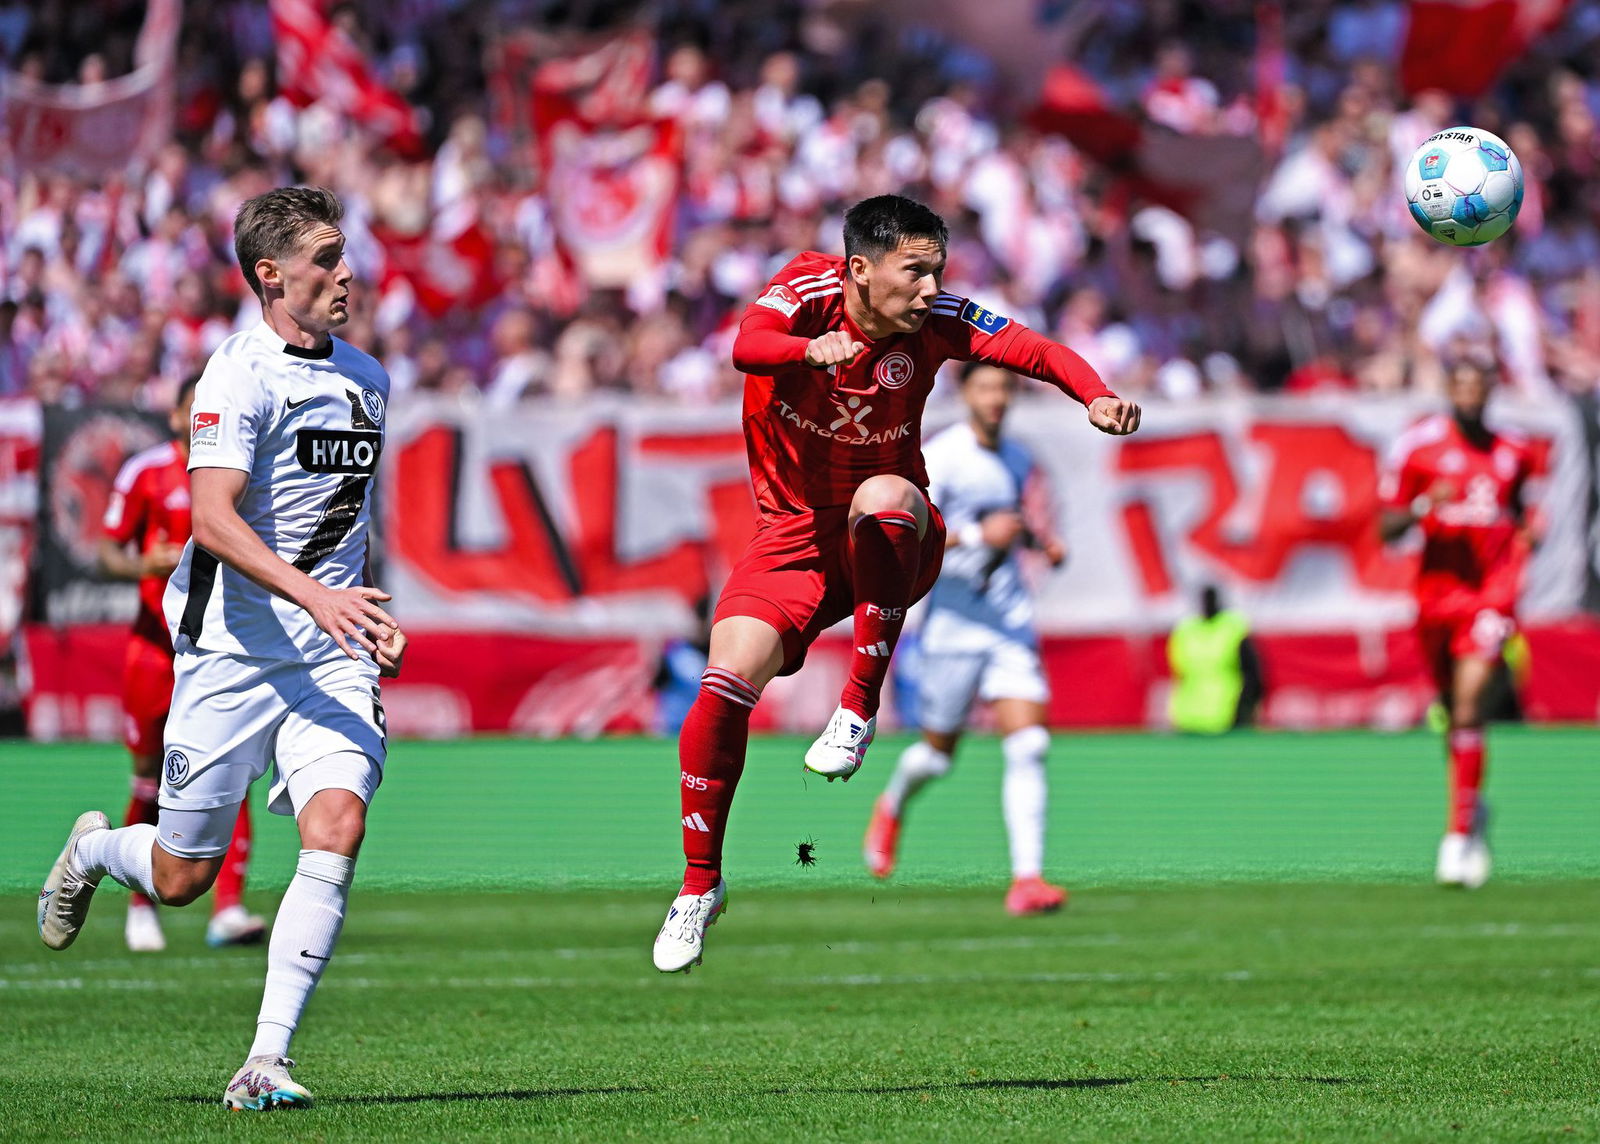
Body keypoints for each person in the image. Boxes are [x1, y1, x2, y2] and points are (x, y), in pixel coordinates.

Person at [653, 194, 1141, 972]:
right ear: (858, 270)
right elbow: (749, 344)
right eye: (914, 272)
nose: (929, 288)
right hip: (792, 538)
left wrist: (1097, 396)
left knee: (881, 495)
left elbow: (1036, 350)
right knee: (721, 686)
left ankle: (859, 706)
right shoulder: (807, 295)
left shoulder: (937, 318)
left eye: (936, 272)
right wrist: (804, 355)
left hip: (896, 533)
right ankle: (700, 887)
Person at [38, 187, 407, 1110]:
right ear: (270, 275)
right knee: (181, 878)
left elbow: (346, 519)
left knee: (338, 827)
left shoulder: (367, 375)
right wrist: (318, 596)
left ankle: (265, 1062)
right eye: (325, 259)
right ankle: (94, 853)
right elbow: (211, 519)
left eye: (344, 253)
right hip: (230, 654)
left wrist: (365, 611)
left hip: (328, 657)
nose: (346, 273)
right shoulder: (235, 374)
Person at [861, 363, 1070, 916]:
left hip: (1007, 622)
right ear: (965, 394)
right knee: (937, 756)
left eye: (1004, 388)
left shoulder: (1018, 457)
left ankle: (1027, 880)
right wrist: (980, 534)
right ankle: (893, 803)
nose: (996, 398)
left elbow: (1012, 524)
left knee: (1031, 745)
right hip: (952, 628)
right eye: (985, 388)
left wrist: (1039, 543)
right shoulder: (943, 457)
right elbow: (908, 536)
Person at [99, 374, 266, 953]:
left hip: (220, 650)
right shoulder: (147, 473)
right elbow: (105, 553)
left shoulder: (243, 472)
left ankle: (229, 908)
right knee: (149, 779)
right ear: (175, 417)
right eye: (195, 410)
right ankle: (139, 907)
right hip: (155, 652)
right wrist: (149, 563)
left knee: (233, 770)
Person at [1379, 358, 1536, 890]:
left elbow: (1524, 513)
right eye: (1461, 385)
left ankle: (1456, 837)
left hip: (1491, 596)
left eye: (1479, 385)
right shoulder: (1418, 447)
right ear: (1449, 389)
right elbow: (1386, 528)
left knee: (1469, 706)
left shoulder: (1514, 451)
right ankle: (1473, 810)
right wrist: (1426, 504)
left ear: (1490, 390)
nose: (1470, 395)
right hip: (1436, 598)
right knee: (1451, 710)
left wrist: (1529, 537)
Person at [1167, 583, 1264, 734]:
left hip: (1227, 716)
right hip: (1189, 717)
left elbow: (1253, 674)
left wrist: (1245, 709)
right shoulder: (1186, 630)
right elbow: (1178, 674)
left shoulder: (1232, 629)